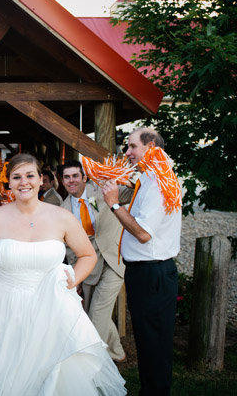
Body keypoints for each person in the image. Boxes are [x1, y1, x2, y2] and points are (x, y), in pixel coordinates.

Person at [0, 153, 126, 395]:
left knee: (50, 370)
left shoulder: (62, 216)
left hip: (52, 305)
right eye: (16, 177)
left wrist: (70, 280)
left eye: (30, 175)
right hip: (4, 305)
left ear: (41, 179)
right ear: (8, 182)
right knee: (9, 369)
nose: (24, 182)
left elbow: (88, 256)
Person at [102, 128, 181, 396]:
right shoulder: (149, 178)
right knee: (148, 342)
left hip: (153, 274)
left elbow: (144, 234)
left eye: (132, 146)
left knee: (154, 343)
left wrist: (114, 205)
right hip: (145, 273)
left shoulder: (159, 182)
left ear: (151, 146)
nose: (127, 152)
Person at [60, 160, 133, 362]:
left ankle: (91, 363)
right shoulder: (64, 209)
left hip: (114, 260)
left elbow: (131, 192)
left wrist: (125, 176)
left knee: (96, 315)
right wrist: (77, 276)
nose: (71, 180)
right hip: (91, 266)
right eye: (67, 177)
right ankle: (117, 352)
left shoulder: (102, 190)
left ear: (85, 178)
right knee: (96, 310)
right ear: (63, 181)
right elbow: (70, 247)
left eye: (75, 176)